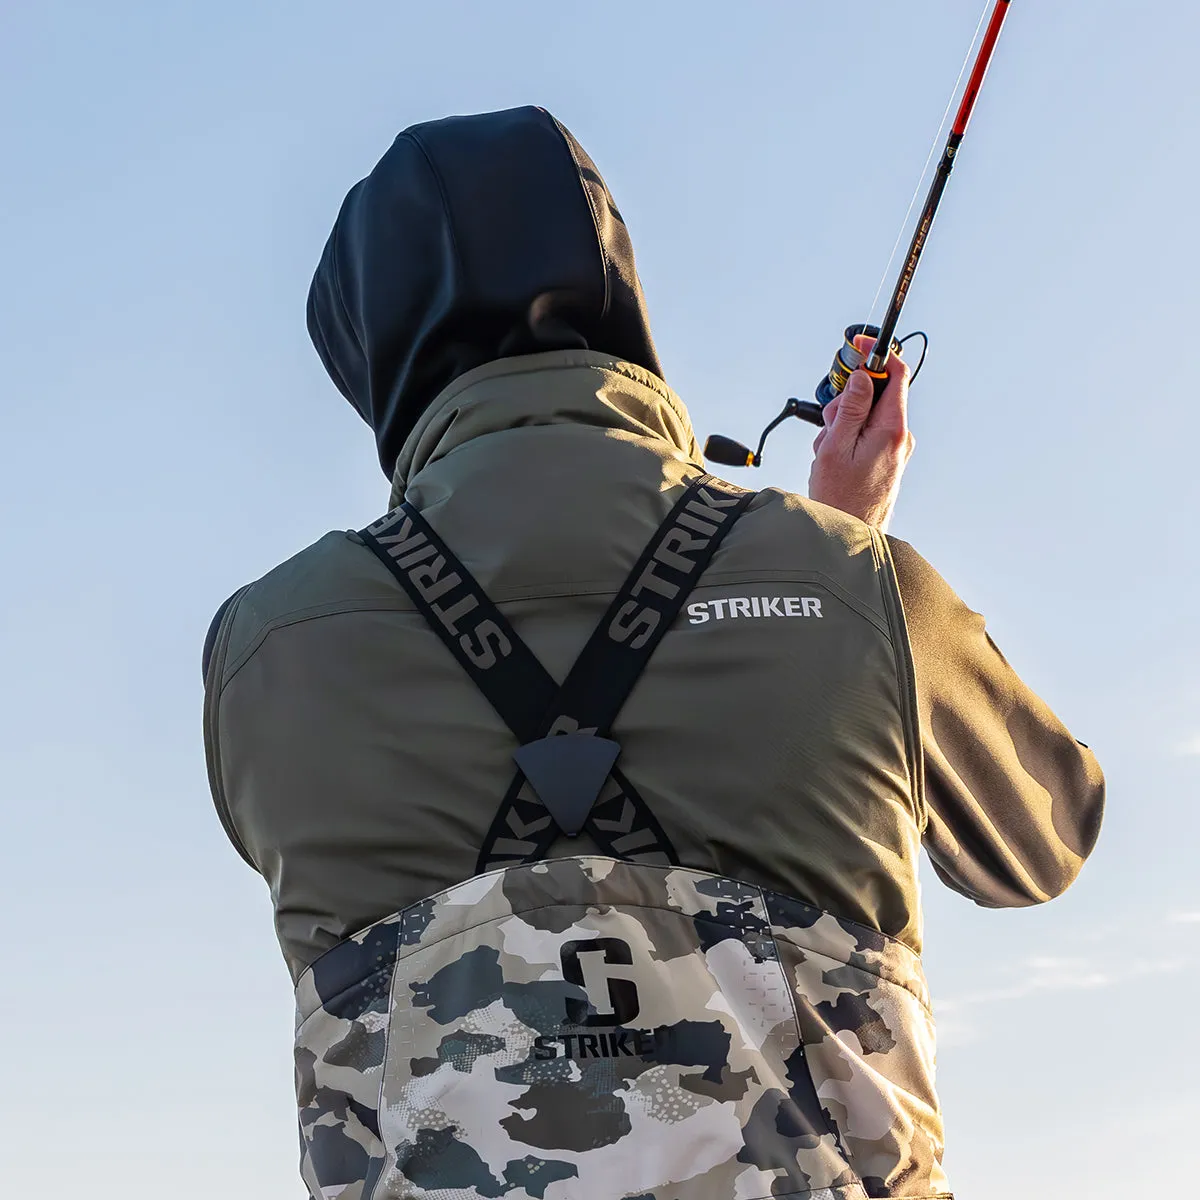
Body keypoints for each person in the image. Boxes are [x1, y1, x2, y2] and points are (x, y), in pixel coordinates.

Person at [203, 106, 1103, 1199]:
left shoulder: (263, 651)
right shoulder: (855, 583)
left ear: (365, 352)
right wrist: (848, 559)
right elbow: (1045, 841)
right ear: (616, 293)